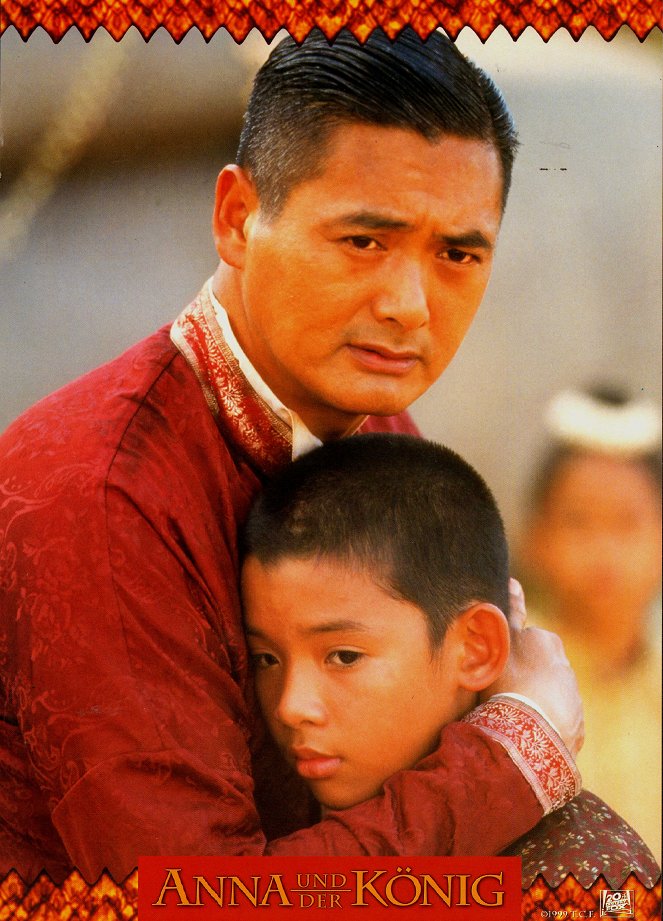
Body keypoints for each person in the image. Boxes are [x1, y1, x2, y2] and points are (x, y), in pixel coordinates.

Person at [0, 29, 582, 884]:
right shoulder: (99, 494)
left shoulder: (376, 428)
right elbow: (188, 899)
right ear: (238, 217)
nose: (409, 306)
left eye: (456, 254)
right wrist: (514, 750)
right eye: (363, 241)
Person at [240, 432, 660, 887]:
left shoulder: (584, 887)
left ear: (476, 648)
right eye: (266, 659)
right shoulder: (249, 821)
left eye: (343, 656)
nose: (290, 706)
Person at [518, 385, 662, 863]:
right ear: (536, 536)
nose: (606, 550)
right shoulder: (512, 673)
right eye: (579, 522)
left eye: (627, 524)